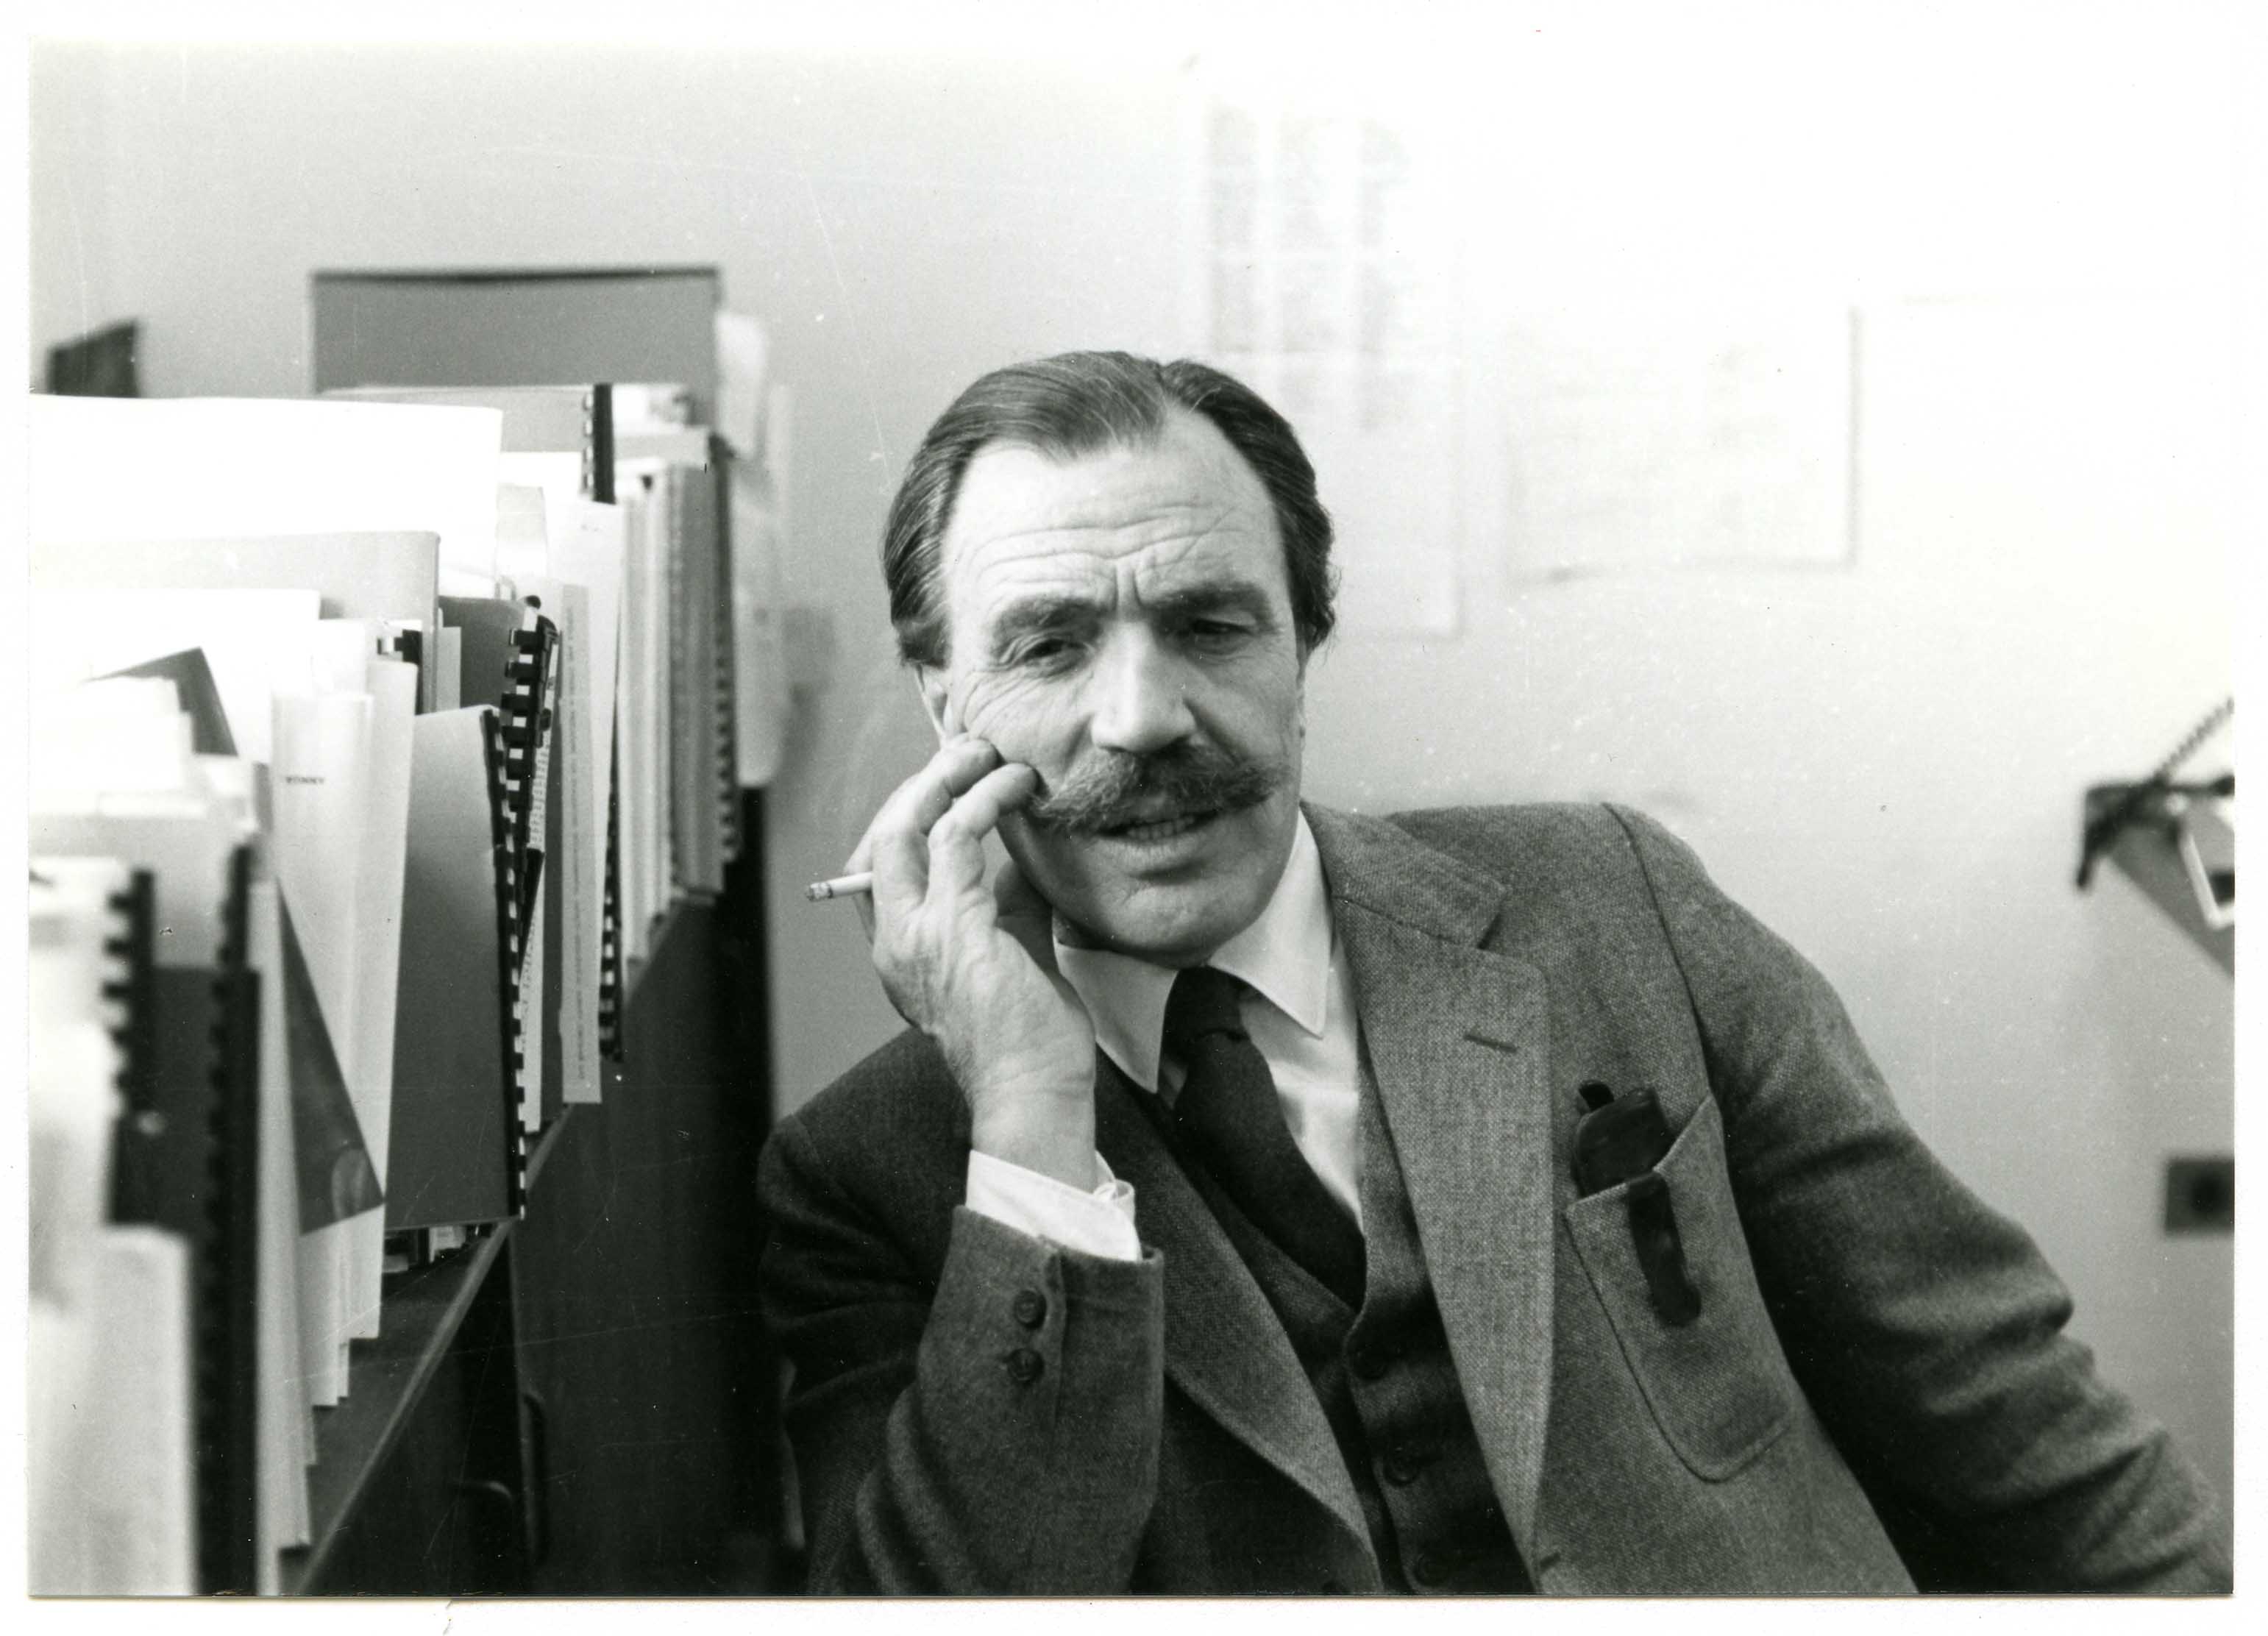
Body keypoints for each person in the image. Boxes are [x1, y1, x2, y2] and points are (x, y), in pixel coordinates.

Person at [755, 350, 2229, 1596]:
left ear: (1302, 645)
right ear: (951, 706)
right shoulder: (867, 1173)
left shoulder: (1610, 902)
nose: (1141, 717)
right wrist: (1028, 1114)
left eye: (1211, 624)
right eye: (1051, 646)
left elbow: (2005, 1414)